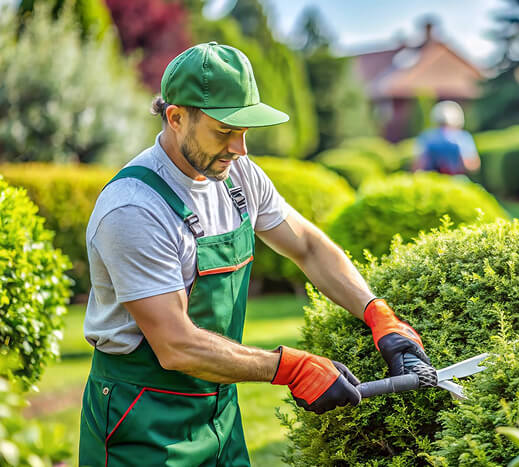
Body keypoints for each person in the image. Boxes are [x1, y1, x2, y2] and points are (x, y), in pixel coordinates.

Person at [78, 42, 430, 466]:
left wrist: (378, 313)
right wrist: (290, 368)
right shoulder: (135, 209)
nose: (240, 149)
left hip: (220, 409)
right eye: (225, 131)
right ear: (176, 117)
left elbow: (309, 247)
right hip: (140, 419)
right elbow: (175, 345)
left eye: (245, 132)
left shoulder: (238, 178)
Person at [413, 100, 480, 175]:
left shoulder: (427, 137)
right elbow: (473, 166)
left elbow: (418, 166)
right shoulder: (462, 138)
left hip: (433, 179)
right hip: (456, 180)